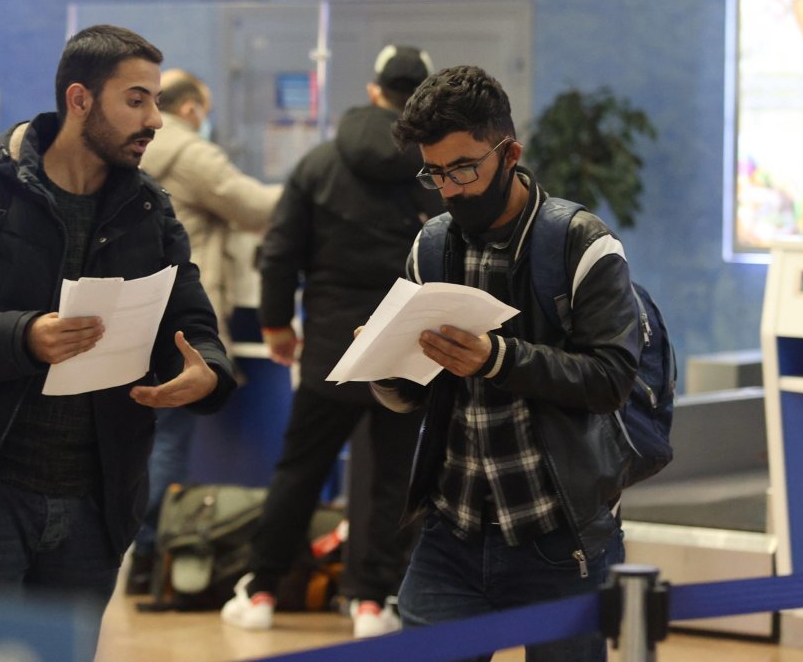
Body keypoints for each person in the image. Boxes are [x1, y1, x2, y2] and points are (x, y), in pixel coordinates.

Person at [0, 24, 237, 653]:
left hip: (94, 505)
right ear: (79, 100)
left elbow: (190, 321)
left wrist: (206, 369)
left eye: (156, 100)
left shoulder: (150, 210)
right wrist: (24, 337)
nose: (154, 119)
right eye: (136, 100)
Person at [370, 65, 642, 662]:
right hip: (453, 533)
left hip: (559, 534)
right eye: (435, 174)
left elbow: (611, 379)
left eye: (464, 168)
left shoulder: (581, 243)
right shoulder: (432, 244)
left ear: (509, 151)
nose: (451, 188)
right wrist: (384, 361)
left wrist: (499, 358)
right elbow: (414, 393)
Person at [220, 45, 442, 638]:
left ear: (373, 91)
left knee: (299, 470)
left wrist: (276, 326)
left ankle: (262, 591)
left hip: (328, 348)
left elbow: (280, 251)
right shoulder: (431, 171)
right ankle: (373, 602)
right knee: (393, 478)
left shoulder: (319, 163)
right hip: (405, 346)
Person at [125, 68, 282, 595]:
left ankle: (135, 551)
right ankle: (150, 551)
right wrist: (306, 193)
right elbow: (254, 206)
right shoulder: (190, 152)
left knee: (141, 438)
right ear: (190, 108)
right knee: (170, 438)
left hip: (130, 311)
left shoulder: (129, 149)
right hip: (177, 317)